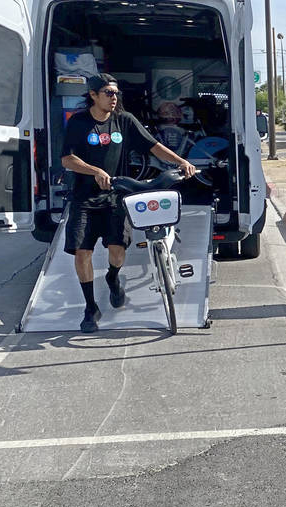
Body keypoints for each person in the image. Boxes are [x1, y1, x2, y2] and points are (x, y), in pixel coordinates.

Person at [60, 74, 197, 333]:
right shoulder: (78, 123)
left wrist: (180, 162)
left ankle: (112, 278)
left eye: (116, 93)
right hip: (84, 199)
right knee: (82, 253)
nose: (114, 98)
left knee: (117, 250)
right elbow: (67, 159)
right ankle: (90, 308)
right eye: (108, 93)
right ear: (93, 95)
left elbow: (153, 146)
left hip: (117, 196)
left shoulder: (124, 121)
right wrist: (94, 171)